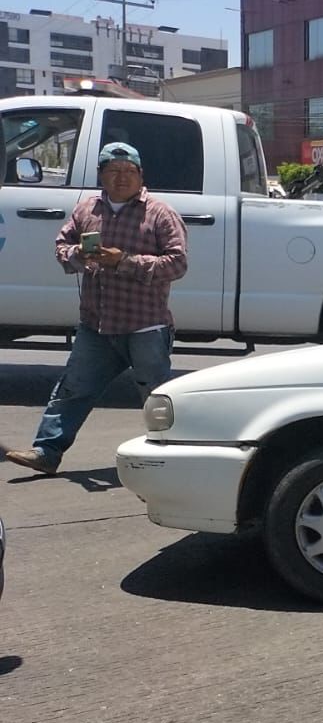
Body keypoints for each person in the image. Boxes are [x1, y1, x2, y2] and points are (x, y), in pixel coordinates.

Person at [5, 142, 188, 476]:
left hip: (144, 325)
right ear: (101, 175)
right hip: (96, 324)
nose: (121, 178)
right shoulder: (88, 209)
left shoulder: (160, 213)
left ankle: (173, 461)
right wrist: (78, 256)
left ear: (140, 175)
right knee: (73, 389)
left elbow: (177, 264)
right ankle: (46, 452)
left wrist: (126, 261)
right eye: (113, 171)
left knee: (157, 399)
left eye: (128, 172)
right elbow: (62, 245)